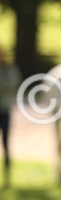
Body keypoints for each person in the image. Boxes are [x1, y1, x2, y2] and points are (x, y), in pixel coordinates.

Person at [0, 46, 21, 186]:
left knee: (6, 143)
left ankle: (7, 177)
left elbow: (12, 85)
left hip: (4, 109)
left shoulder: (10, 70)